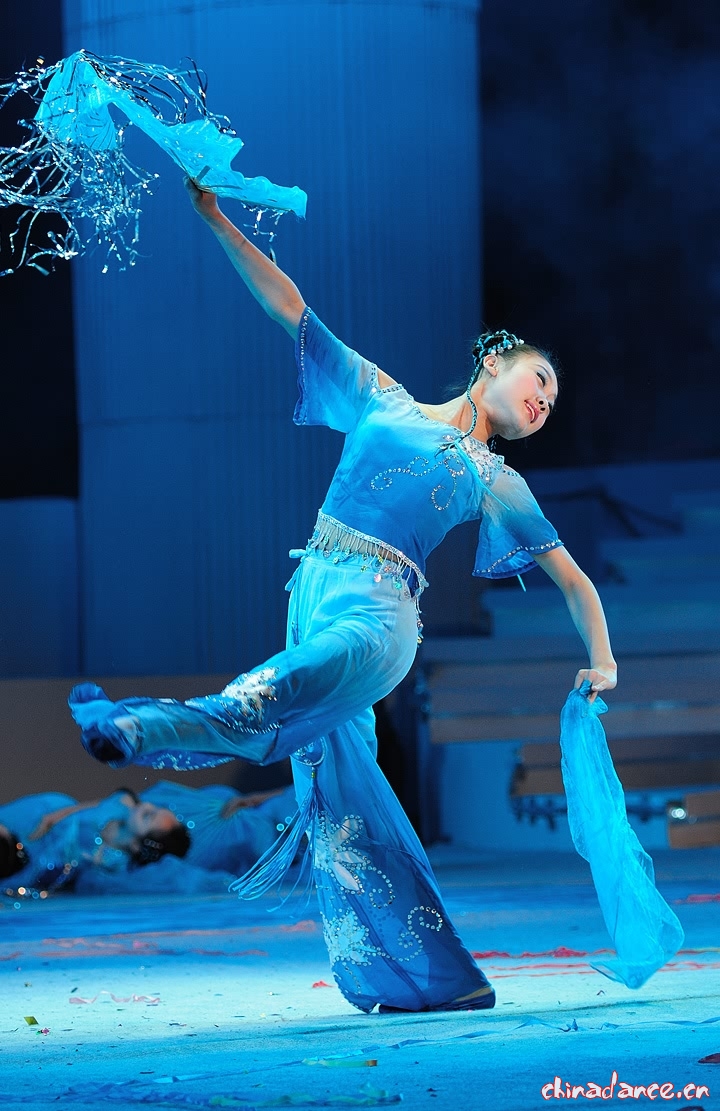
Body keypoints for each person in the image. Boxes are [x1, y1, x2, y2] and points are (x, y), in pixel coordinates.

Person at [69, 178, 617, 1014]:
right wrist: (214, 217)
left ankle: (135, 727)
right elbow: (292, 308)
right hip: (313, 589)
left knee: (269, 693)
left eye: (551, 402)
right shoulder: (382, 396)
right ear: (493, 360)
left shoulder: (496, 478)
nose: (544, 400)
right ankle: (440, 977)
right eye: (538, 378)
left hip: (378, 617)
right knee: (344, 801)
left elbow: (574, 580)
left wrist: (602, 659)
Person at [0, 789, 189, 893]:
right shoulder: (123, 803)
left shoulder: (114, 862)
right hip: (46, 814)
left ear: (137, 845)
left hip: (44, 856)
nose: (146, 804)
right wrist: (54, 817)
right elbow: (93, 806)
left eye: (148, 816)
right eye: (156, 807)